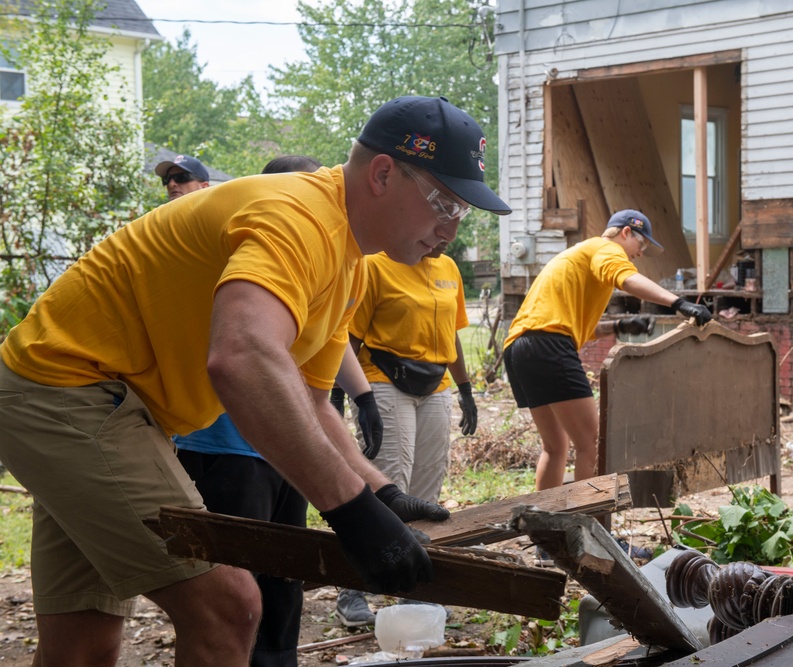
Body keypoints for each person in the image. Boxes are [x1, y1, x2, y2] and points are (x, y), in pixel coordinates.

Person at [0, 95, 510, 666]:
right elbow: (242, 356)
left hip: (92, 399)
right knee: (228, 605)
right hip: (69, 389)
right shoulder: (299, 217)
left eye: (461, 211)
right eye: (443, 201)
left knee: (81, 641)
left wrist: (379, 494)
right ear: (385, 173)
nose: (449, 228)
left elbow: (314, 402)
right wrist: (350, 512)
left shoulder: (348, 258)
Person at [172, 154, 381, 667]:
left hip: (289, 445)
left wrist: (362, 397)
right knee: (235, 585)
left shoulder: (333, 257)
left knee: (284, 576)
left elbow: (330, 343)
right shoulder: (257, 237)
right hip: (223, 442)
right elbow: (241, 352)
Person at [503, 209, 712, 493]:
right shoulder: (605, 248)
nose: (639, 253)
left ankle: (545, 527)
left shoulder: (581, 256)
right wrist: (679, 303)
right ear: (626, 232)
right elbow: (626, 279)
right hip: (548, 344)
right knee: (594, 444)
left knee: (555, 447)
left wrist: (620, 325)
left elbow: (578, 330)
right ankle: (590, 525)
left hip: (520, 348)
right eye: (642, 245)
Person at [335, 239, 477, 626]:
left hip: (435, 383)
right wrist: (342, 395)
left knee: (426, 488)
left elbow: (454, 334)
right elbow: (347, 337)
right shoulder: (376, 265)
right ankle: (353, 588)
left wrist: (465, 389)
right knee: (389, 481)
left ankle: (412, 588)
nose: (446, 236)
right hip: (382, 378)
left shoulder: (449, 268)